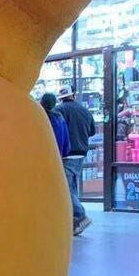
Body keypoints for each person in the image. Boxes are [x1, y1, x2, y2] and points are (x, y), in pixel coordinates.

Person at [41, 90, 87, 236]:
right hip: (69, 155)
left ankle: (80, 216)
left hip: (51, 160)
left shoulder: (45, 119)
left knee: (66, 189)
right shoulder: (60, 117)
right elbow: (67, 141)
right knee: (69, 186)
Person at [57, 84, 95, 235]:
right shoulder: (84, 110)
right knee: (72, 186)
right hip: (81, 153)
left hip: (67, 153)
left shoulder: (59, 110)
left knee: (67, 188)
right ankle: (73, 220)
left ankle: (80, 215)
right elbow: (91, 131)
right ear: (73, 94)